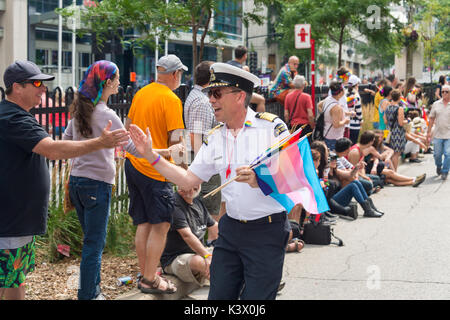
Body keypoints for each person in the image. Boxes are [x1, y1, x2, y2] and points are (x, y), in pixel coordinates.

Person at [128, 62, 292, 300]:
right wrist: (150, 155)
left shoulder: (271, 128)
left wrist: (259, 179)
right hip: (231, 230)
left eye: (216, 94)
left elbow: (291, 175)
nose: (210, 100)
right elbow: (187, 178)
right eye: (209, 94)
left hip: (266, 230)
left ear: (239, 96)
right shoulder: (216, 137)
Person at [0, 60, 129, 300]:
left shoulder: (18, 115)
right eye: (37, 83)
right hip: (10, 223)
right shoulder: (12, 119)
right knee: (5, 280)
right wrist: (100, 143)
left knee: (15, 279)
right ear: (17, 87)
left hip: (17, 222)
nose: (43, 89)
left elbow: (64, 140)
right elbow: (53, 150)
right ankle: (90, 293)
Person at [63, 60, 165, 300]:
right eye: (117, 79)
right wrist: (153, 148)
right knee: (94, 245)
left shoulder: (80, 111)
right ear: (108, 82)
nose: (120, 83)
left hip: (78, 183)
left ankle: (90, 290)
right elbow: (133, 149)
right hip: (97, 185)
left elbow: (66, 139)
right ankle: (89, 294)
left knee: (90, 242)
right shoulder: (106, 114)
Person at [124, 54, 187, 294]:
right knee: (160, 224)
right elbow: (177, 142)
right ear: (174, 74)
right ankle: (150, 278)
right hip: (156, 168)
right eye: (180, 73)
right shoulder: (171, 99)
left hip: (134, 164)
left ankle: (145, 273)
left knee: (143, 222)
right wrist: (183, 174)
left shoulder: (141, 93)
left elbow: (128, 124)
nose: (180, 77)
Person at [184, 61, 223, 222]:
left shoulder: (199, 97)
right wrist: (204, 166)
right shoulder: (202, 102)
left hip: (203, 159)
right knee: (210, 206)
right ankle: (211, 240)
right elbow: (196, 136)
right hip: (204, 160)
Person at [160, 184, 218, 287]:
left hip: (198, 252)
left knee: (228, 255)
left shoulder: (198, 202)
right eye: (186, 183)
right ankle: (223, 287)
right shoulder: (173, 204)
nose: (189, 187)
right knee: (201, 262)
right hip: (175, 258)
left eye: (194, 184)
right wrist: (207, 256)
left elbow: (214, 227)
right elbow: (187, 235)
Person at [348, 130, 426, 187]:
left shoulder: (364, 148)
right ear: (371, 141)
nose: (380, 139)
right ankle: (414, 179)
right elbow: (353, 170)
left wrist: (387, 157)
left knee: (388, 179)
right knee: (388, 175)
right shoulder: (358, 151)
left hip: (366, 171)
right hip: (364, 172)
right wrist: (366, 177)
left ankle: (413, 181)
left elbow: (360, 166)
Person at [227, 45, 265, 112]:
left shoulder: (227, 65)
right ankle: (259, 121)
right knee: (261, 100)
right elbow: (249, 85)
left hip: (226, 93)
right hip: (238, 94)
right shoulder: (244, 68)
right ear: (245, 56)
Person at [427, 84, 450, 180]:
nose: (444, 93)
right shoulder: (436, 104)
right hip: (438, 134)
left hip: (449, 135)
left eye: (446, 92)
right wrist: (428, 132)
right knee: (437, 154)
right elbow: (431, 119)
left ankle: (445, 171)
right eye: (442, 92)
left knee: (448, 154)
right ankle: (439, 165)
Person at [384, 89, 407, 171]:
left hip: (389, 132)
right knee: (396, 154)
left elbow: (385, 121)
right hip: (397, 132)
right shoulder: (399, 109)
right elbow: (401, 123)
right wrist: (407, 121)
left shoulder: (387, 107)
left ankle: (391, 171)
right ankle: (394, 172)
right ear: (399, 97)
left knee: (390, 152)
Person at [323, 81, 349, 150]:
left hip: (327, 133)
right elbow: (336, 124)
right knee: (334, 159)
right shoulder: (336, 107)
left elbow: (319, 105)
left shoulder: (328, 99)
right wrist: (345, 121)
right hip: (334, 138)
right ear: (341, 93)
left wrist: (328, 116)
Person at [347, 75, 363, 144]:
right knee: (353, 144)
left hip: (347, 123)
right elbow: (359, 111)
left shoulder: (346, 94)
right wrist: (361, 120)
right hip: (355, 124)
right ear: (356, 85)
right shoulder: (356, 96)